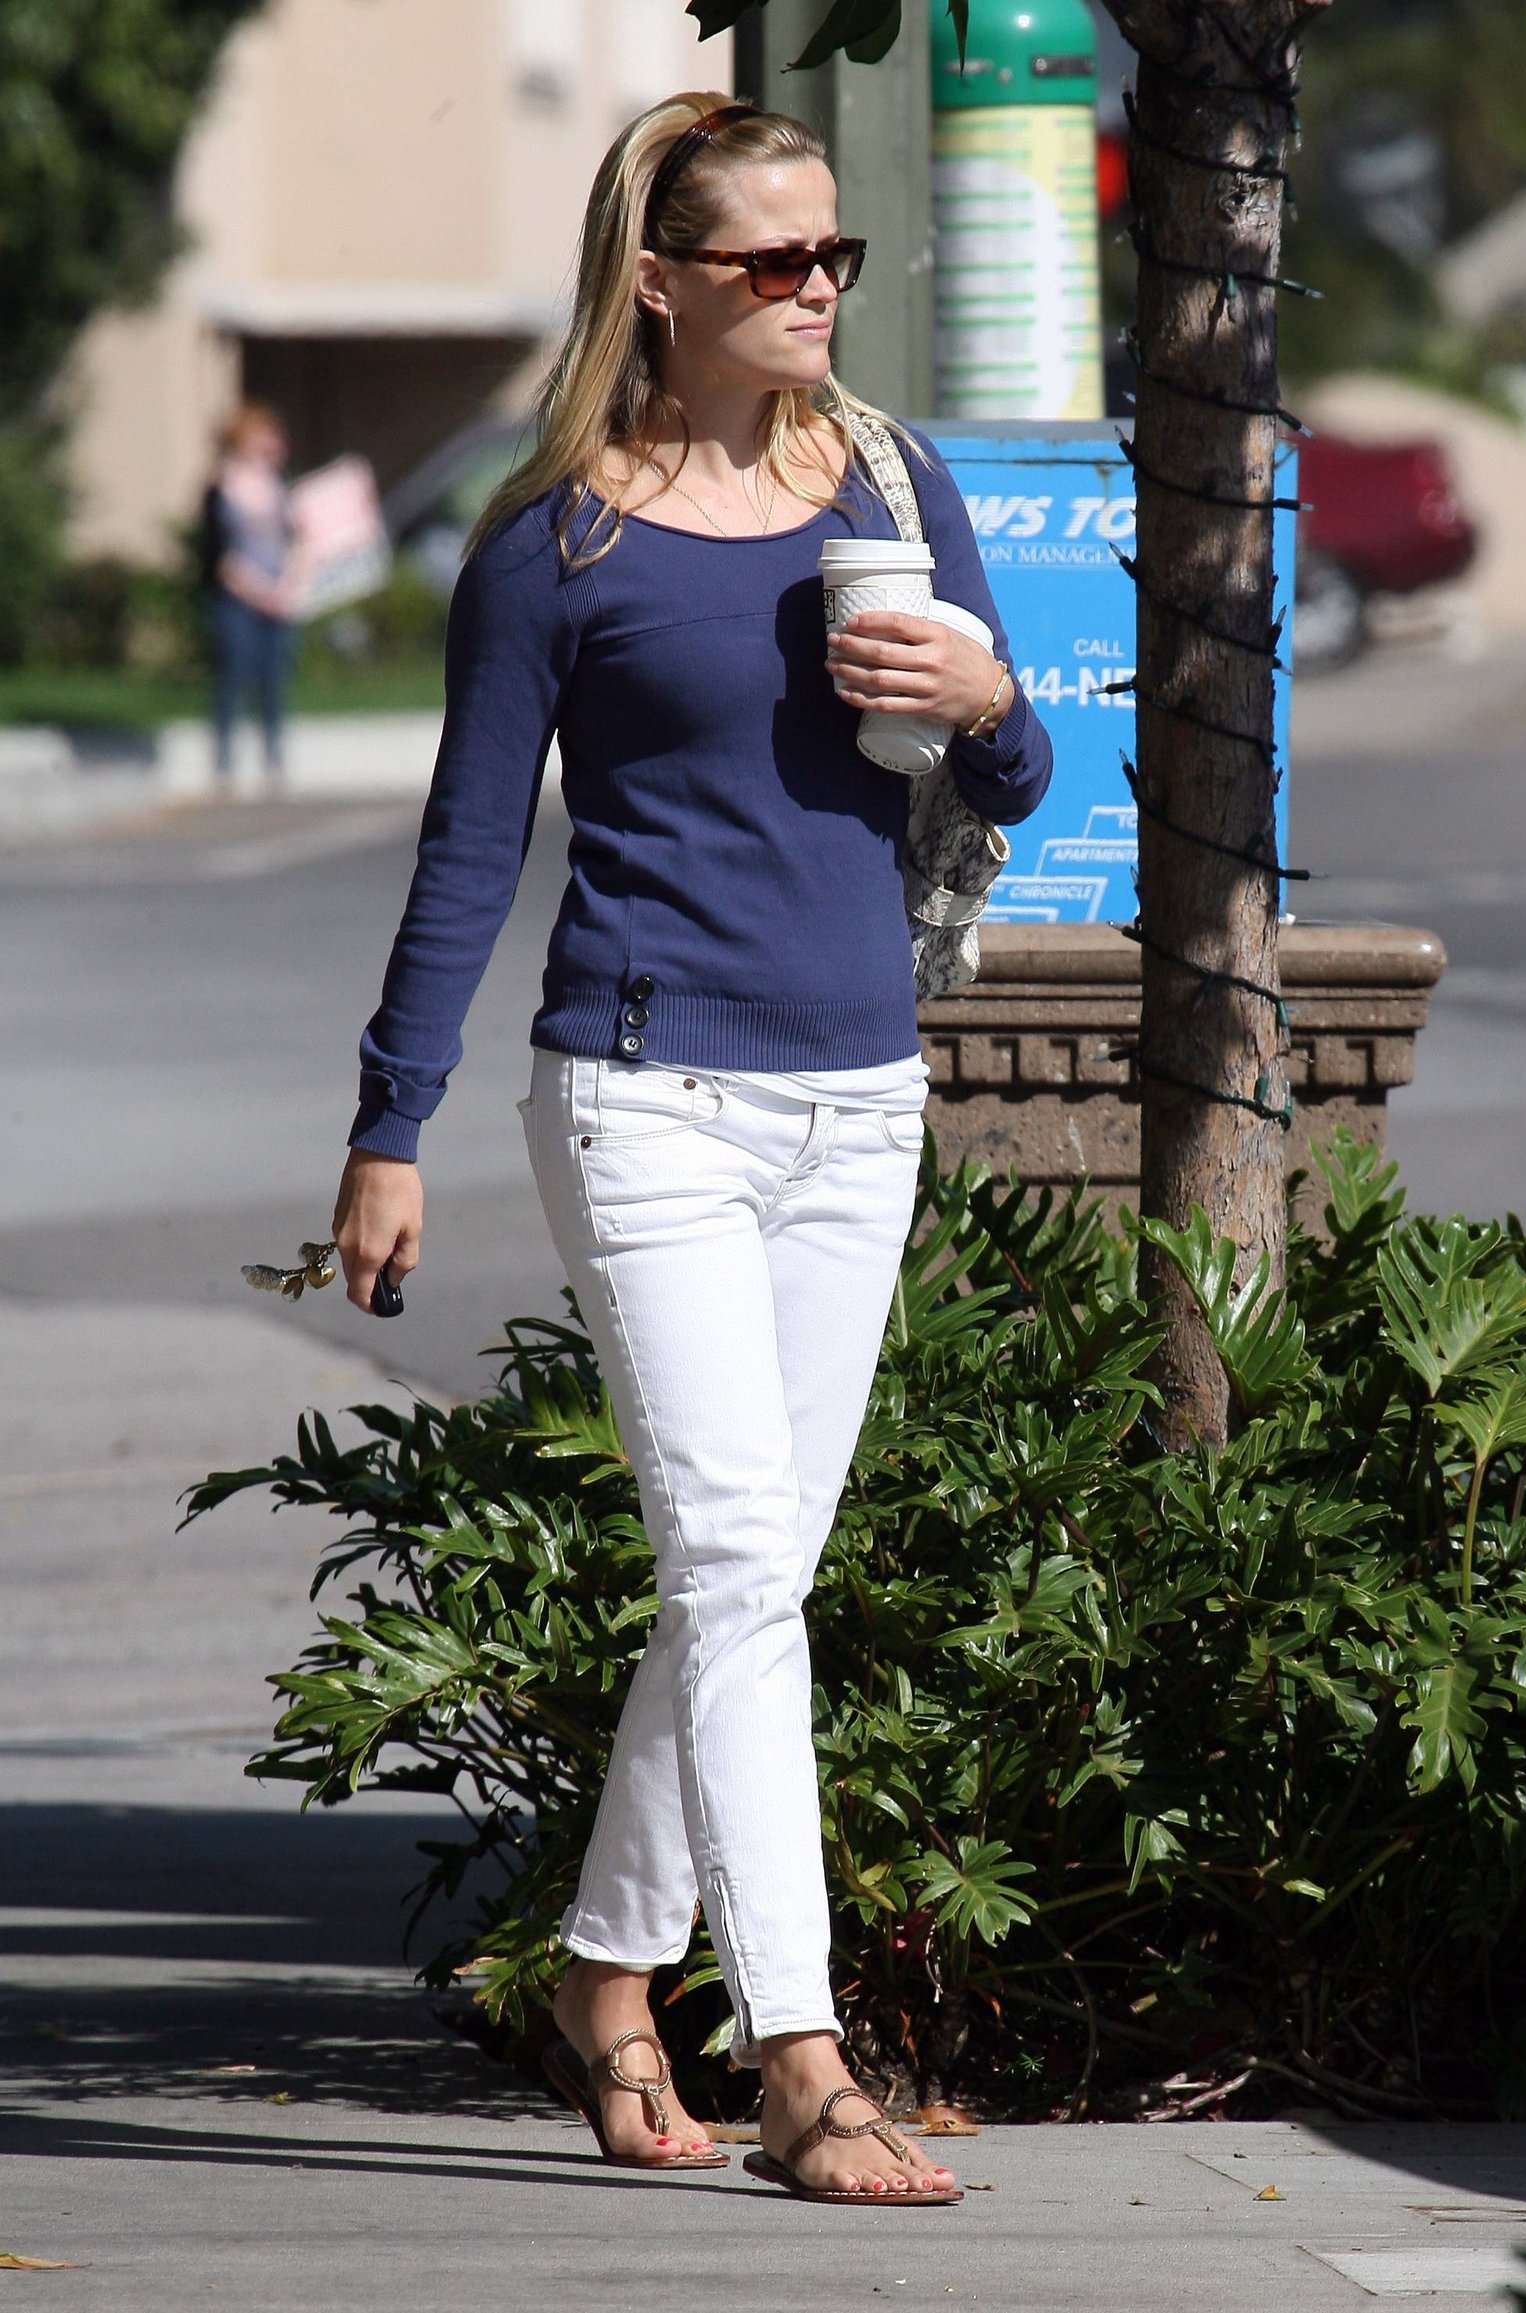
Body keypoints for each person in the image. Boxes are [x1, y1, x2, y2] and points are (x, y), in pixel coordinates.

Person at [331, 92, 1051, 2204]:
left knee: (750, 1573)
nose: (819, 289)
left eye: (834, 255)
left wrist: (985, 697)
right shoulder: (555, 546)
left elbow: (1006, 778)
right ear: (659, 283)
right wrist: (390, 1123)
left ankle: (605, 1971)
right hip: (644, 1095)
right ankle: (805, 2055)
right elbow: (468, 853)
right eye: (773, 260)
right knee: (736, 1560)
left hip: (859, 1094)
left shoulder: (893, 486)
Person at [200, 403, 296, 781]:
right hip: (237, 595)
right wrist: (257, 591)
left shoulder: (278, 484)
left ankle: (273, 757)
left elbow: (295, 539)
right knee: (233, 675)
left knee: (274, 680)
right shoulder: (221, 487)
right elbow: (217, 554)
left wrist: (285, 586)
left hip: (278, 594)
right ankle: (224, 759)